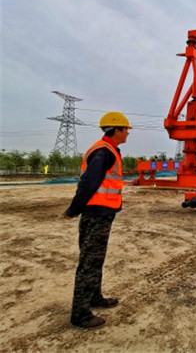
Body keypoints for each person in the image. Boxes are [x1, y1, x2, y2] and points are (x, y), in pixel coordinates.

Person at [64, 112, 132, 329]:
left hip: (102, 214)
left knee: (95, 259)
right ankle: (80, 314)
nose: (128, 133)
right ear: (116, 130)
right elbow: (88, 183)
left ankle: (94, 297)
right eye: (126, 129)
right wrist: (74, 209)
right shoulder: (103, 152)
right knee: (89, 262)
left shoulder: (108, 150)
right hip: (95, 214)